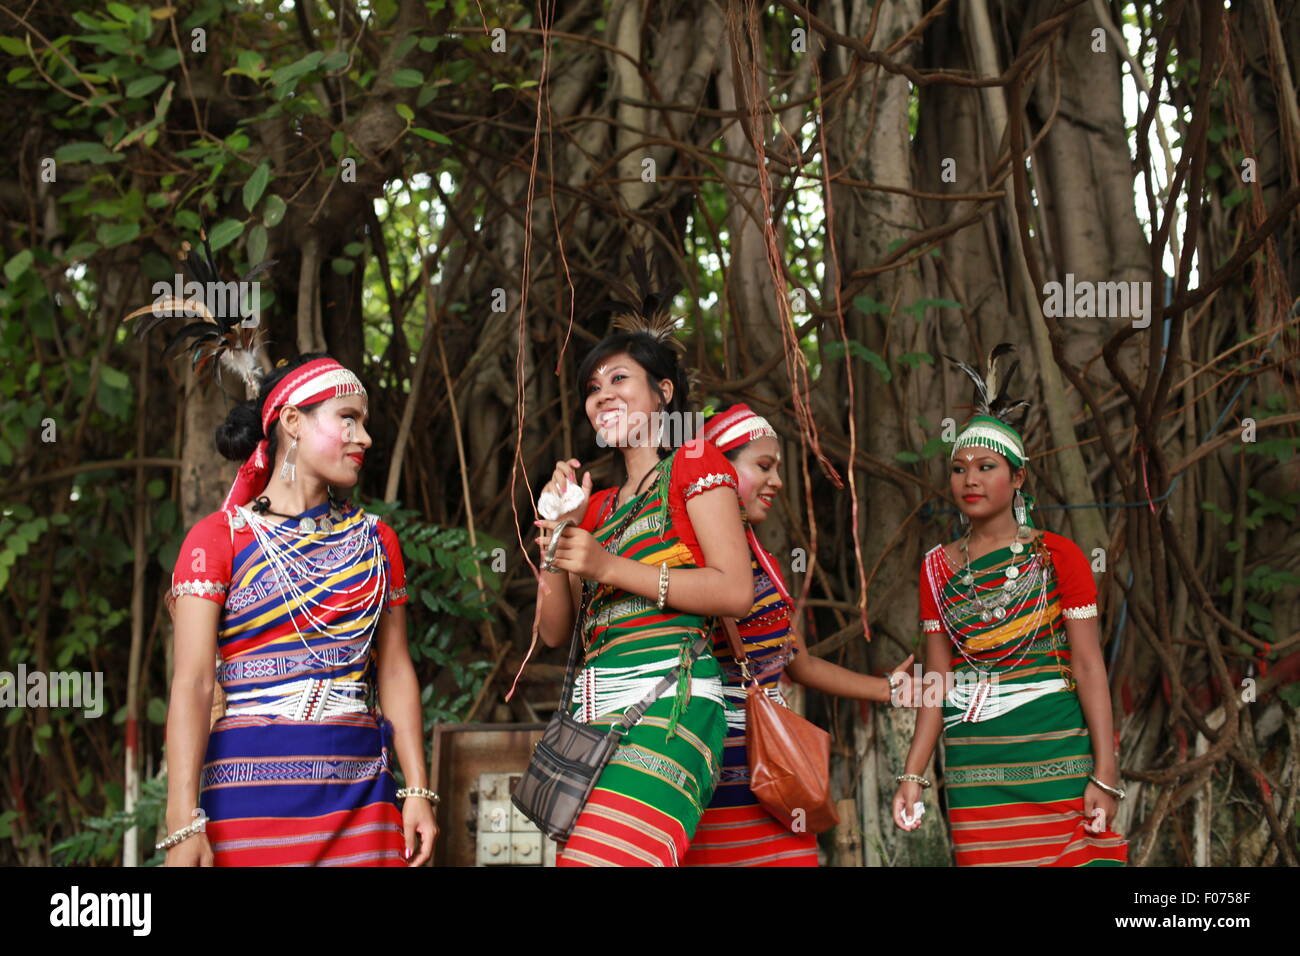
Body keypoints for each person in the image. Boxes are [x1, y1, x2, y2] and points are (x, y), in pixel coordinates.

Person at [161, 353, 437, 866]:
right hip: (247, 803)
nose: (365, 438)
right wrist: (183, 820)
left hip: (363, 795)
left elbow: (396, 667)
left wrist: (418, 789)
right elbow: (194, 684)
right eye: (347, 419)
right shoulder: (218, 539)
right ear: (292, 422)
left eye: (365, 423)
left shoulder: (377, 542)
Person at [531, 293, 754, 867]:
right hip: (594, 709)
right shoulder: (597, 506)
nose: (601, 394)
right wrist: (557, 534)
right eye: (592, 387)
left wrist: (609, 566)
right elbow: (556, 632)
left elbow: (734, 591)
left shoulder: (695, 464)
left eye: (619, 378)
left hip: (672, 700)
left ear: (664, 393)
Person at [892, 345, 1128, 866]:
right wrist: (913, 774)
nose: (969, 479)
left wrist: (1105, 771)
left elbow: (1088, 664)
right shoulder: (935, 568)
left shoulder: (1058, 555)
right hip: (976, 768)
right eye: (958, 468)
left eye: (986, 466)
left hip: (1058, 751)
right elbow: (937, 681)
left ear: (1018, 478)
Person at [682, 403, 919, 866]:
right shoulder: (683, 558)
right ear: (718, 471)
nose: (778, 482)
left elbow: (799, 664)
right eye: (764, 467)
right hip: (711, 769)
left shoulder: (765, 564)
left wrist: (886, 689)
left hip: (778, 774)